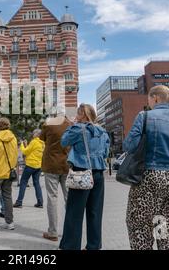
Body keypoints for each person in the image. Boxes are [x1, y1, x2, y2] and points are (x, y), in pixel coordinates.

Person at [124, 86, 169, 250]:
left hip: (150, 176)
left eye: (149, 99)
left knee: (140, 224)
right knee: (165, 223)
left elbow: (129, 146)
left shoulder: (145, 116)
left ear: (155, 98)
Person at [59, 104, 110, 250]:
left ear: (82, 115)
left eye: (77, 114)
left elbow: (64, 141)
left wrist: (72, 125)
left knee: (74, 212)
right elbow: (106, 153)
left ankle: (70, 246)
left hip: (81, 173)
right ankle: (94, 246)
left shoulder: (77, 129)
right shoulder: (102, 131)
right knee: (95, 211)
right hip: (98, 173)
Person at [40, 115, 71, 242]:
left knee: (52, 198)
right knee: (69, 198)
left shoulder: (48, 124)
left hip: (51, 164)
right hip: (67, 165)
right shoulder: (69, 125)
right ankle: (70, 231)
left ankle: (53, 232)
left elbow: (42, 138)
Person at [14, 129, 45, 208]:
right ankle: (40, 202)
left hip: (30, 165)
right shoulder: (42, 143)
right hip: (38, 166)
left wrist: (21, 144)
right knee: (36, 183)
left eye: (33, 133)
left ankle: (19, 202)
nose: (32, 134)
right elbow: (31, 151)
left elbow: (25, 152)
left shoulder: (34, 141)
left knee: (23, 182)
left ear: (36, 134)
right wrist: (26, 144)